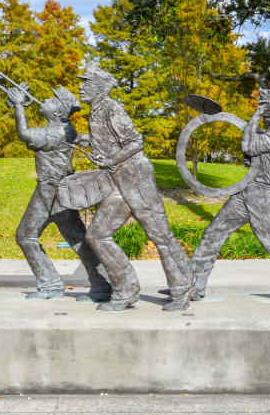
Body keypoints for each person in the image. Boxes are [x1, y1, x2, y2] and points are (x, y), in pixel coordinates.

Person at [76, 65, 196, 311]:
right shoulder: (96, 110)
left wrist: (110, 160)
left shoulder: (111, 108)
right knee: (97, 235)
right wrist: (84, 140)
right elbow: (107, 141)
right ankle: (126, 290)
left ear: (99, 87)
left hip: (135, 177)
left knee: (160, 236)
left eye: (86, 82)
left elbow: (134, 142)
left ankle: (183, 288)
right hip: (119, 180)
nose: (81, 86)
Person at [180, 89, 270, 302]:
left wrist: (254, 118)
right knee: (214, 232)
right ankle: (192, 286)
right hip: (251, 191)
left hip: (263, 193)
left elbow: (248, 147)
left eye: (263, 109)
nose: (260, 113)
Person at [6, 83, 112, 301]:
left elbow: (24, 134)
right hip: (49, 190)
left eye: (51, 100)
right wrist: (18, 106)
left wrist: (19, 105)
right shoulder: (58, 128)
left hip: (54, 191)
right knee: (66, 238)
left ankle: (71, 285)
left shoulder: (58, 131)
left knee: (33, 236)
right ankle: (86, 285)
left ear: (57, 112)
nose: (44, 100)